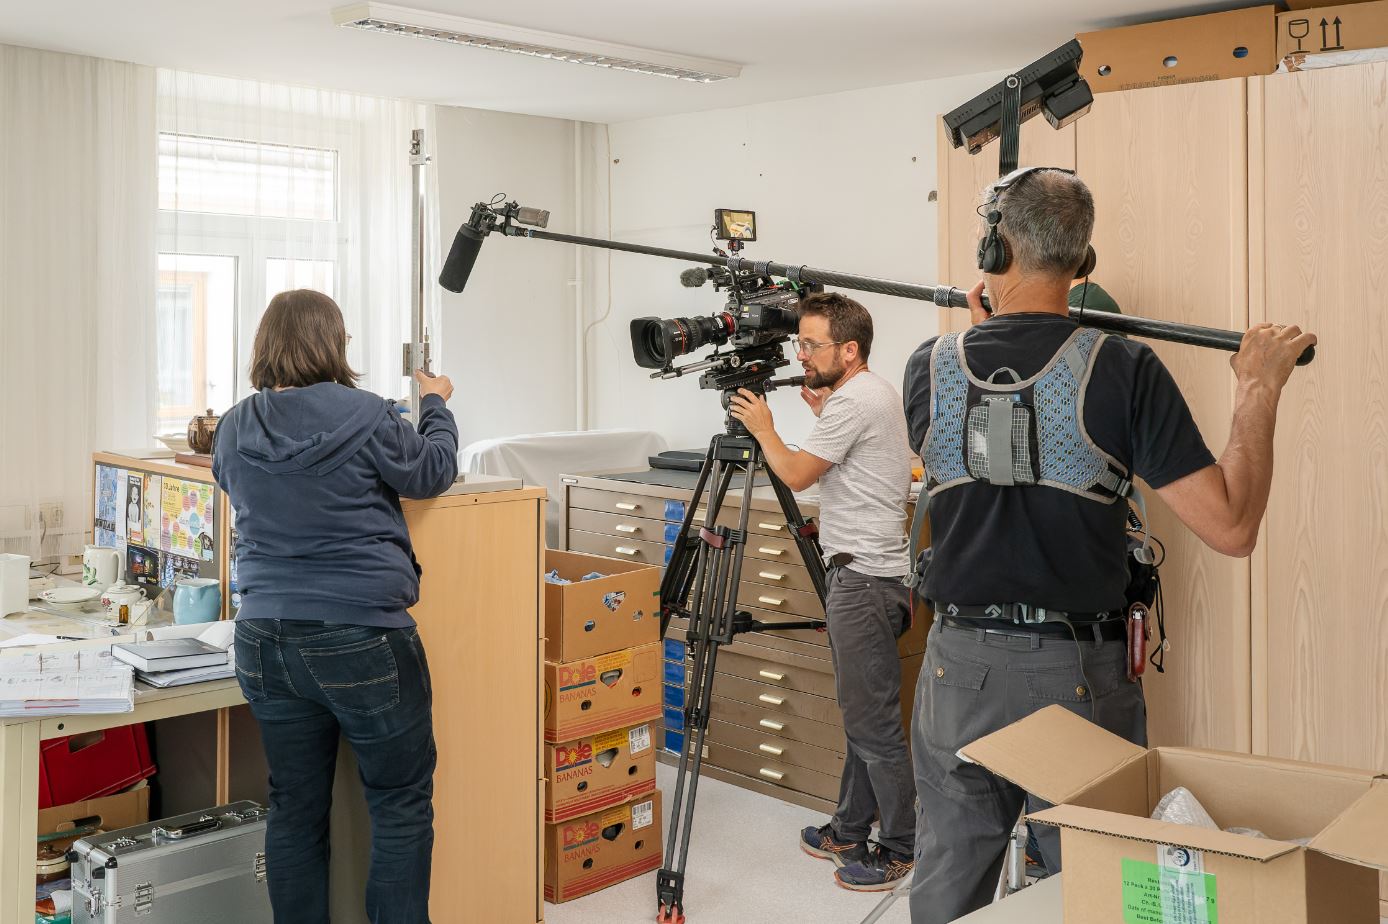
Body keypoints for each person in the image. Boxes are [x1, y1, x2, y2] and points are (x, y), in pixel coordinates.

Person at [902, 167, 1316, 924]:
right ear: (1083, 261)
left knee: (947, 884)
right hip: (1074, 676)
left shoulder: (927, 367)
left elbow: (980, 458)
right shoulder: (1122, 369)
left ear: (994, 251)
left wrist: (985, 327)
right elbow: (1231, 526)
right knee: (1091, 890)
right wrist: (1259, 388)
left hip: (957, 668)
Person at [212, 289, 458, 924]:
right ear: (334, 344)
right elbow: (432, 472)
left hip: (263, 636)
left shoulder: (234, 425)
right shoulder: (369, 416)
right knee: (399, 806)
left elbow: (235, 482)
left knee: (294, 808)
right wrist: (436, 404)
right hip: (362, 634)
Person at [728, 291, 917, 892]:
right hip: (869, 576)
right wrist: (819, 417)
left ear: (849, 350)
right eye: (800, 343)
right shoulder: (867, 394)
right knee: (862, 715)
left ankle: (901, 847)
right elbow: (848, 463)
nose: (801, 355)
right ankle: (849, 828)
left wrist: (764, 428)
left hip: (864, 582)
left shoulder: (855, 400)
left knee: (873, 723)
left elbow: (795, 474)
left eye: (811, 344)